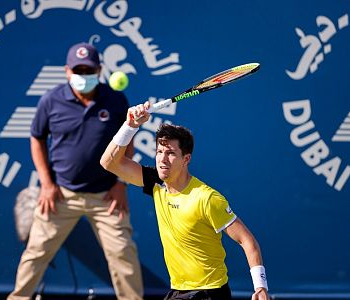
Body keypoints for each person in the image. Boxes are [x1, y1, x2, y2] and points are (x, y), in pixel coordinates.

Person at [8, 42, 143, 300]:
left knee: (124, 254)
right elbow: (36, 138)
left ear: (100, 70)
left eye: (89, 70)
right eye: (78, 71)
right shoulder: (50, 100)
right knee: (36, 253)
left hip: (106, 196)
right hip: (61, 194)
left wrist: (121, 183)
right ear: (67, 71)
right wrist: (46, 184)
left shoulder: (116, 99)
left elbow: (128, 142)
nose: (84, 76)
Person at [100, 103, 270, 300]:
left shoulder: (207, 198)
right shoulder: (156, 183)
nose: (163, 159)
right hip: (178, 290)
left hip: (209, 293)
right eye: (159, 152)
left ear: (186, 159)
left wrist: (260, 287)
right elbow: (108, 162)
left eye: (171, 153)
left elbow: (247, 240)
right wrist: (130, 126)